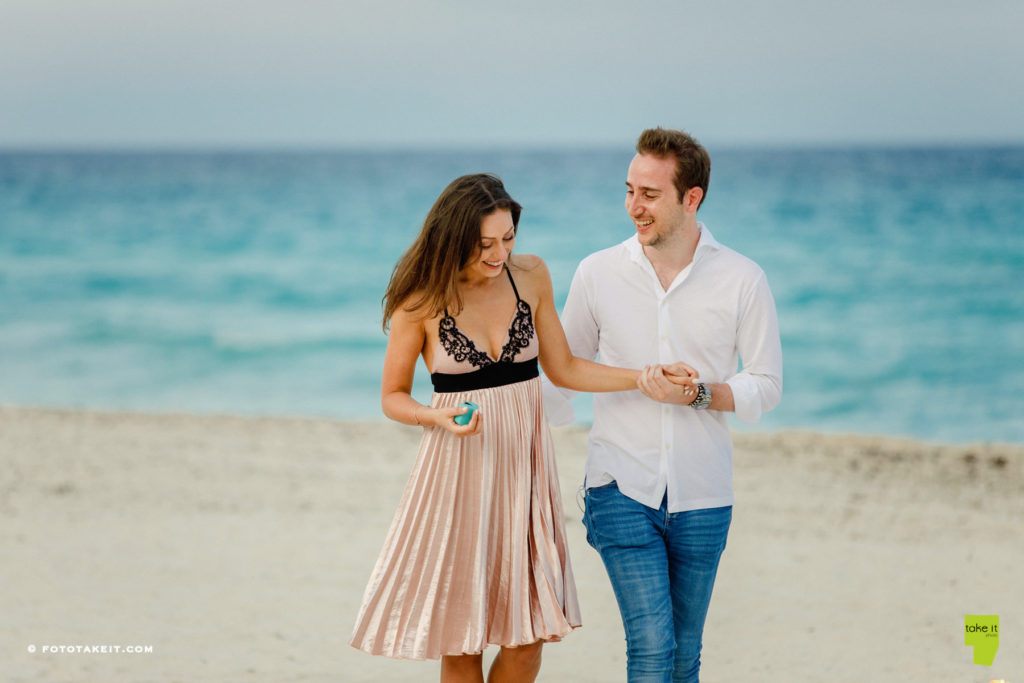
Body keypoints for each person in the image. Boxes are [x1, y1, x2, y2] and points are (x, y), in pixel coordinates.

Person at [349, 173, 694, 683]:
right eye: (484, 244)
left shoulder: (528, 276)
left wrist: (643, 378)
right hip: (457, 475)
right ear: (453, 238)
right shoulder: (420, 301)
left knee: (528, 640)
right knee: (462, 640)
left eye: (508, 238)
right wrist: (434, 415)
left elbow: (565, 369)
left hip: (524, 475)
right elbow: (392, 397)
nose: (498, 254)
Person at [548, 128, 783, 682]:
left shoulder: (743, 279)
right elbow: (563, 372)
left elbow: (766, 383)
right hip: (618, 486)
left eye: (649, 194)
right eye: (629, 190)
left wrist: (700, 394)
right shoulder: (597, 272)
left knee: (685, 653)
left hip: (704, 495)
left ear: (691, 198)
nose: (634, 206)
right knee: (652, 648)